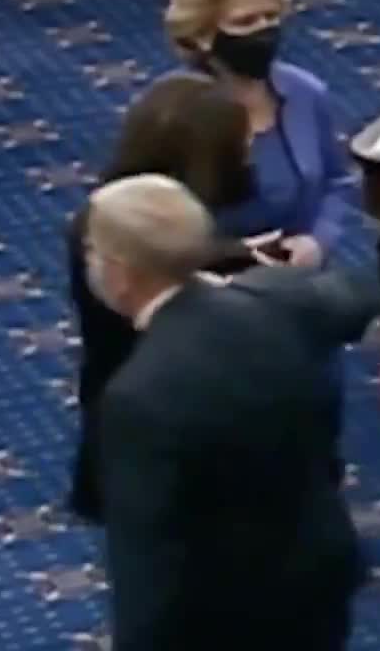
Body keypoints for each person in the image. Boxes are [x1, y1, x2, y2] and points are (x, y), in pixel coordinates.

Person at [85, 174, 380, 651]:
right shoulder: (275, 301)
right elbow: (360, 295)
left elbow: (149, 559)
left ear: (119, 271)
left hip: (222, 618)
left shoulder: (139, 395)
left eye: (93, 251)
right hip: (317, 576)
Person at [67, 73, 259, 523]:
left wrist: (236, 256)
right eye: (241, 144)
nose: (250, 152)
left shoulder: (117, 216)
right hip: (154, 425)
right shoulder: (114, 245)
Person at [164, 0, 354, 266]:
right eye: (245, 22)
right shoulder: (172, 112)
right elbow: (147, 227)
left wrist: (317, 242)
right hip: (210, 285)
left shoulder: (305, 93)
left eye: (270, 17)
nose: (263, 31)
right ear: (201, 35)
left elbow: (337, 182)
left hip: (295, 276)